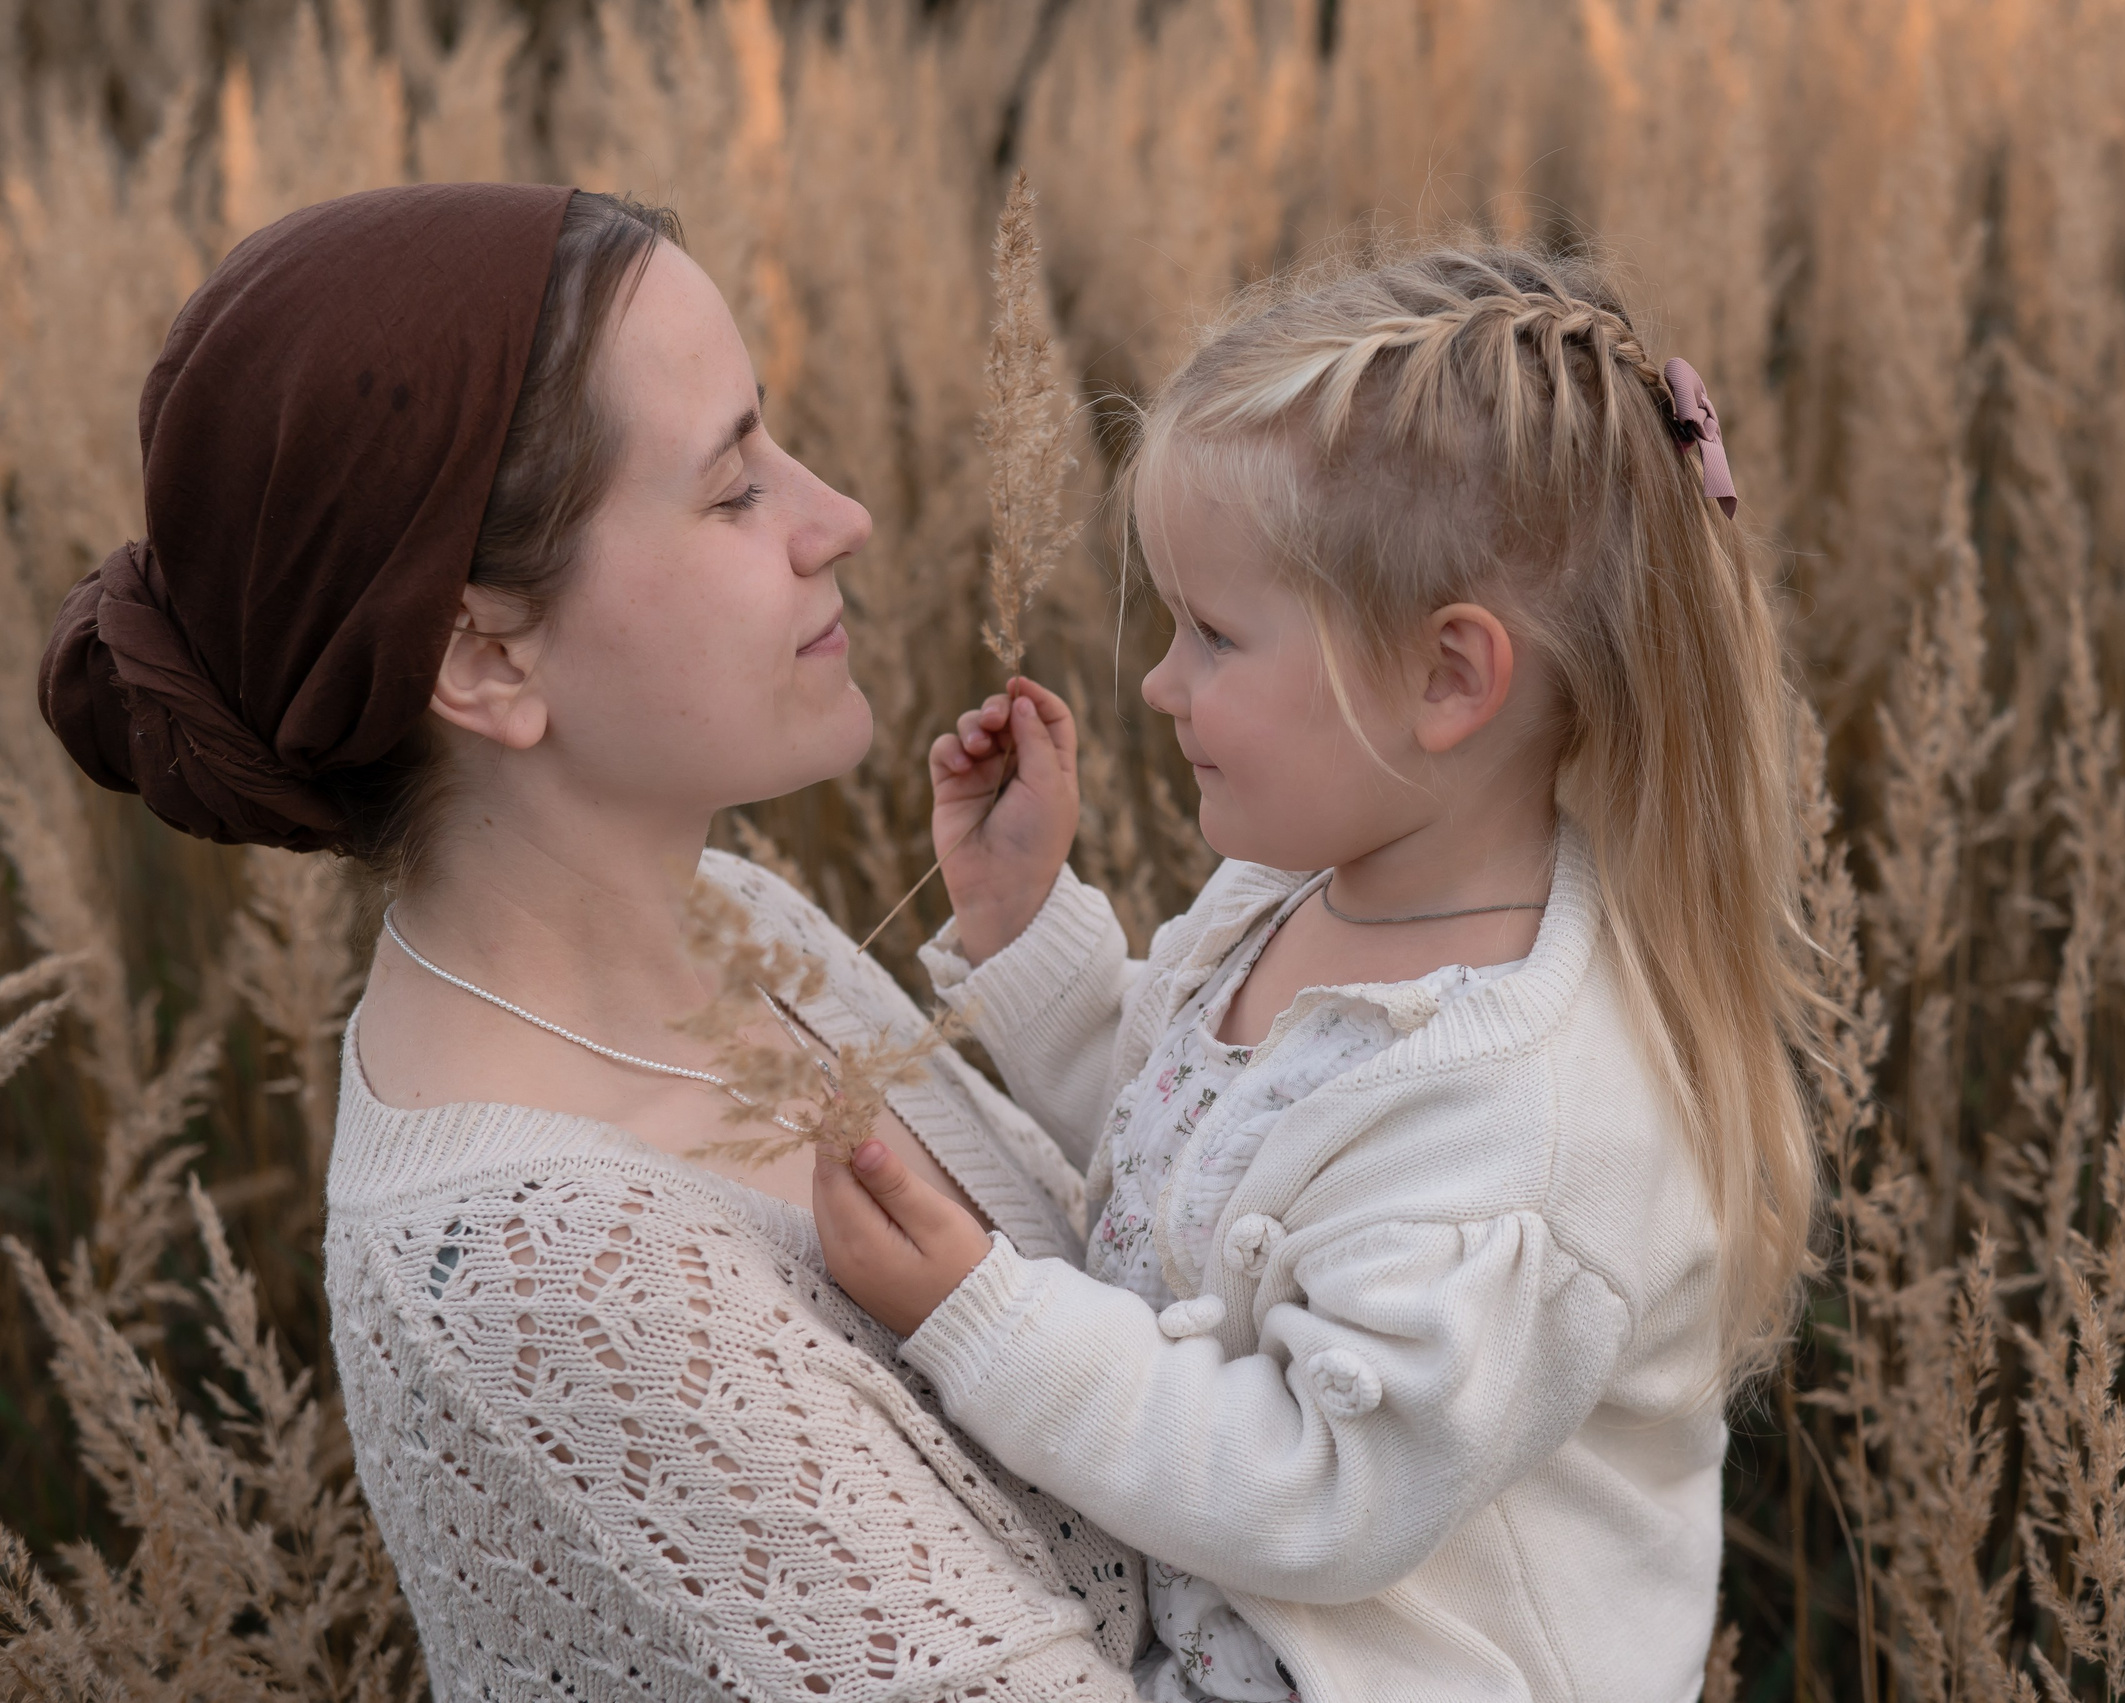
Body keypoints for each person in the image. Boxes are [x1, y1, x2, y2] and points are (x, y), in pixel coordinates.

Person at [38, 182, 1144, 1701]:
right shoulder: (547, 1285)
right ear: (487, 657)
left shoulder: (737, 920)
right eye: (735, 486)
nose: (841, 518)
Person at [809, 247, 1819, 1703]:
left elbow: (1318, 1487)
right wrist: (1028, 927)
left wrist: (983, 1314)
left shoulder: (1520, 1117)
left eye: (1215, 633)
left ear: (1447, 680)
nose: (1159, 685)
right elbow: (1198, 1171)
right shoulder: (1295, 893)